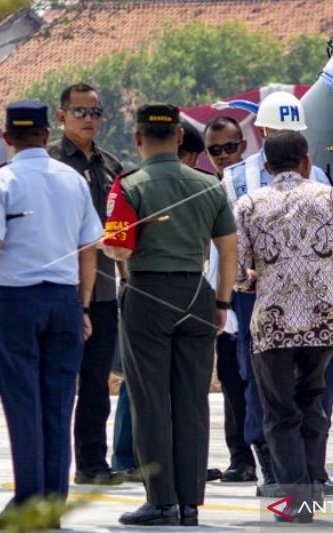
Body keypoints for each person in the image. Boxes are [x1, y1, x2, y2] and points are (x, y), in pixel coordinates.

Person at [102, 104, 237, 527]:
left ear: (138, 139)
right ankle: (191, 503)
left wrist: (109, 245)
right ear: (180, 138)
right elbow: (228, 250)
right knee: (192, 401)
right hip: (198, 296)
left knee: (151, 401)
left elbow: (120, 248)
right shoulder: (209, 185)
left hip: (147, 295)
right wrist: (222, 303)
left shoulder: (128, 185)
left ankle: (161, 501)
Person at [0, 100, 102, 530]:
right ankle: (52, 506)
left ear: (6, 137)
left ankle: (27, 504)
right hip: (65, 301)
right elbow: (90, 251)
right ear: (48, 134)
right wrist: (83, 305)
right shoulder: (73, 180)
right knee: (59, 406)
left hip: (17, 301)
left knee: (23, 405)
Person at [234, 130, 333, 523]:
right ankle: (312, 488)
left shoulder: (249, 203)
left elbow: (240, 272)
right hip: (323, 320)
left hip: (273, 323)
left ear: (268, 166)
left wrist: (257, 279)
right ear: (307, 162)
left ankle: (294, 500)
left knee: (279, 411)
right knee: (313, 401)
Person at [221, 91, 333, 496]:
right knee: (262, 387)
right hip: (257, 295)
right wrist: (226, 301)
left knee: (321, 381)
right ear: (264, 130)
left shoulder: (320, 178)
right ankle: (271, 466)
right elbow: (221, 247)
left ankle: (310, 468)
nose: (288, 137)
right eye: (281, 130)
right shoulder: (236, 179)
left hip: (307, 297)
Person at [47, 83, 125, 486]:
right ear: (61, 117)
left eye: (95, 112)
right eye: (80, 112)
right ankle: (50, 463)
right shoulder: (50, 164)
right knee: (59, 379)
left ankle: (93, 462)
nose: (89, 119)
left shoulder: (111, 166)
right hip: (61, 287)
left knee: (96, 382)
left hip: (105, 291)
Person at [202, 116, 263, 484]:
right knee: (229, 380)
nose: (224, 155)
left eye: (230, 147)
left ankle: (262, 453)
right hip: (220, 298)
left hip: (252, 298)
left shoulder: (255, 185)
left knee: (257, 381)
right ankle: (240, 457)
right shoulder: (207, 188)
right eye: (215, 150)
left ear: (243, 145)